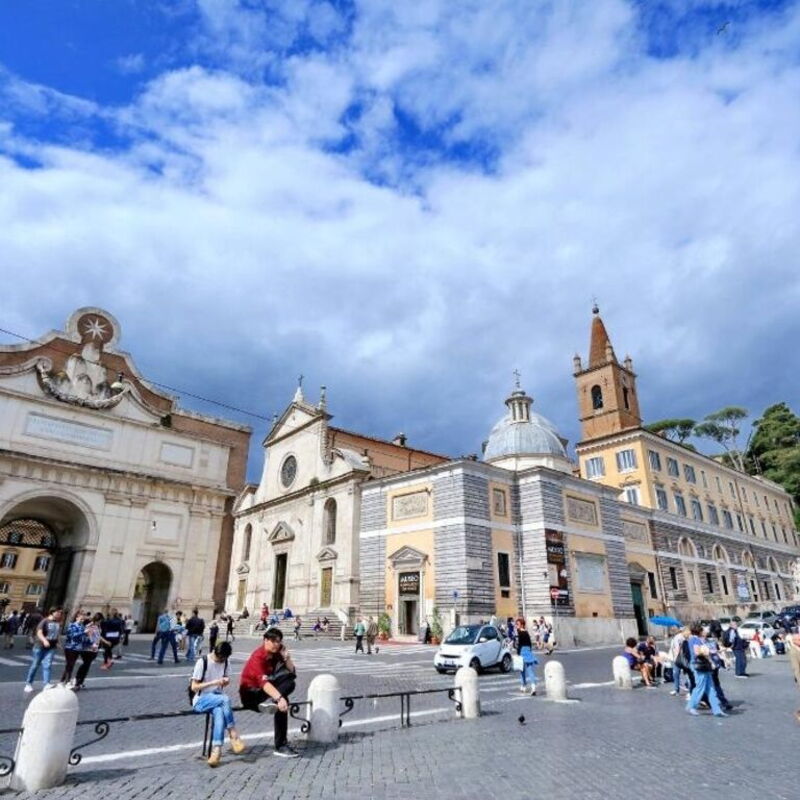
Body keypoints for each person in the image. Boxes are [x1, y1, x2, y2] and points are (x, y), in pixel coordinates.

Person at [239, 628, 299, 758]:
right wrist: (279, 697)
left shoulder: (277, 652)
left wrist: (287, 657)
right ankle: (281, 745)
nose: (276, 644)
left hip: (265, 691)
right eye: (273, 641)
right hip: (250, 694)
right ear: (265, 640)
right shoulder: (258, 657)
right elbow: (263, 683)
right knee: (283, 702)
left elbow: (292, 672)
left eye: (278, 641)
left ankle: (281, 745)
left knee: (290, 681)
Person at [191, 641, 246, 767]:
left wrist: (225, 681)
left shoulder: (226, 662)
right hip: (201, 699)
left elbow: (226, 679)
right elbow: (194, 687)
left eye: (225, 659)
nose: (222, 662)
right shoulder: (203, 662)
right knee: (225, 699)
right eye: (221, 659)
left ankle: (217, 750)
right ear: (216, 653)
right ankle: (233, 734)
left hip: (216, 699)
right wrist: (214, 682)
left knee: (219, 713)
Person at [685, 624, 727, 717]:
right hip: (699, 665)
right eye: (703, 629)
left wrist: (712, 653)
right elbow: (697, 652)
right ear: (699, 631)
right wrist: (708, 651)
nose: (705, 631)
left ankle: (717, 709)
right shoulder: (694, 640)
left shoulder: (697, 639)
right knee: (700, 687)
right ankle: (691, 706)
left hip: (704, 665)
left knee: (711, 688)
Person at [24, 606, 63, 693]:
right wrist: (44, 640)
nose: (60, 614)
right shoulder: (44, 621)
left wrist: (58, 642)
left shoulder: (57, 622)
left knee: (48, 665)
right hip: (40, 646)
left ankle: (46, 684)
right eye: (58, 612)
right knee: (35, 665)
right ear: (52, 612)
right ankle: (28, 684)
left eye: (60, 613)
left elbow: (57, 634)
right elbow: (39, 632)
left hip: (51, 647)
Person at [74, 613, 105, 690]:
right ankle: (77, 680)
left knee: (87, 665)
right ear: (98, 620)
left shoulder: (98, 626)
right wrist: (93, 644)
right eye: (100, 621)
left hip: (94, 649)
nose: (100, 622)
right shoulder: (90, 626)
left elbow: (98, 636)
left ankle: (80, 681)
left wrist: (104, 642)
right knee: (86, 664)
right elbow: (88, 636)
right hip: (88, 648)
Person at [61, 610, 89, 687]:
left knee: (70, 665)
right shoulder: (72, 625)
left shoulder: (82, 626)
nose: (82, 620)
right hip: (70, 647)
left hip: (78, 648)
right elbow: (72, 635)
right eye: (81, 619)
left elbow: (83, 637)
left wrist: (87, 640)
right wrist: (84, 632)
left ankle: (62, 681)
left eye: (83, 619)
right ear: (76, 618)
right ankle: (67, 681)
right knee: (70, 664)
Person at [516, 618, 538, 695]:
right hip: (528, 650)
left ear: (522, 625)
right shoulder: (526, 632)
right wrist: (530, 651)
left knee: (522, 670)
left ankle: (523, 686)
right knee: (530, 670)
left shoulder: (520, 633)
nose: (516, 626)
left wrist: (518, 653)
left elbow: (520, 644)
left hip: (522, 651)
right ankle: (533, 687)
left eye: (517, 624)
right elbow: (529, 643)